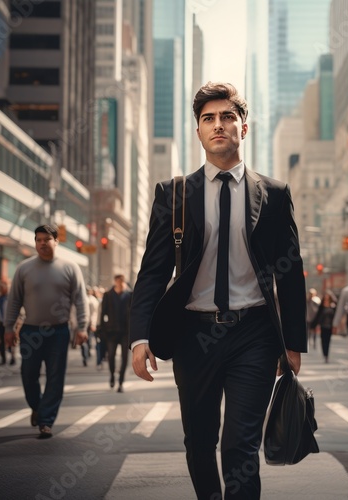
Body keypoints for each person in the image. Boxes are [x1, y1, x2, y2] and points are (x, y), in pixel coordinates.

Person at [129, 82, 307, 499]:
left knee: (240, 444)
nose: (218, 124)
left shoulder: (275, 195)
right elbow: (153, 271)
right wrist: (140, 337)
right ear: (199, 132)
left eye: (228, 116)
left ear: (244, 128)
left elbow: (291, 273)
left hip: (255, 335)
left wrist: (292, 344)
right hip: (194, 335)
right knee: (199, 442)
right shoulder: (172, 194)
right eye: (208, 118)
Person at [4, 224, 88, 439]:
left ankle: (46, 421)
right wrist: (8, 327)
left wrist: (82, 326)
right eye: (38, 240)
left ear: (56, 241)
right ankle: (37, 406)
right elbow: (14, 300)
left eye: (46, 239)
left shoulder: (70, 268)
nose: (42, 243)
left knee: (55, 377)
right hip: (30, 332)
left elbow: (80, 299)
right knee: (28, 374)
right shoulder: (24, 268)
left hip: (59, 332)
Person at [100, 275, 132, 393]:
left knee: (125, 358)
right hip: (111, 332)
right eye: (118, 281)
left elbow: (133, 313)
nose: (120, 283)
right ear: (115, 282)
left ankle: (121, 382)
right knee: (111, 356)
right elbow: (103, 313)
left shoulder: (129, 295)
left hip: (125, 332)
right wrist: (103, 330)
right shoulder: (108, 295)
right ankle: (112, 375)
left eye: (122, 281)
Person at [311, 290, 337, 362]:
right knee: (323, 340)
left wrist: (335, 325)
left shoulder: (333, 306)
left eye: (328, 298)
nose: (326, 299)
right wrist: (314, 325)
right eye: (325, 298)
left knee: (328, 341)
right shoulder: (322, 307)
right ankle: (324, 354)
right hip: (323, 326)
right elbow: (317, 316)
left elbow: (336, 316)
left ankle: (327, 355)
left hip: (330, 326)